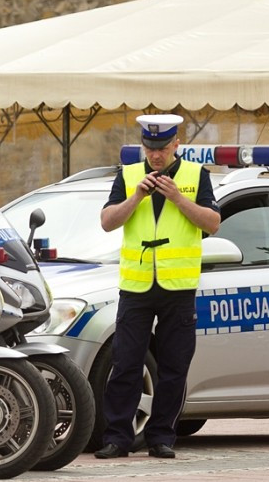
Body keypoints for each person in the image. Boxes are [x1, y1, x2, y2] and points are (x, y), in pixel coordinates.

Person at [94, 113, 220, 460]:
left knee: (173, 366)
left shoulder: (196, 176)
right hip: (136, 285)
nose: (156, 156)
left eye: (163, 148)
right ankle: (118, 437)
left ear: (176, 145)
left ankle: (162, 436)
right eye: (150, 149)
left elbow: (213, 224)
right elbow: (107, 222)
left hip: (177, 287)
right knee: (126, 364)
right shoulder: (129, 175)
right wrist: (135, 197)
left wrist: (179, 199)